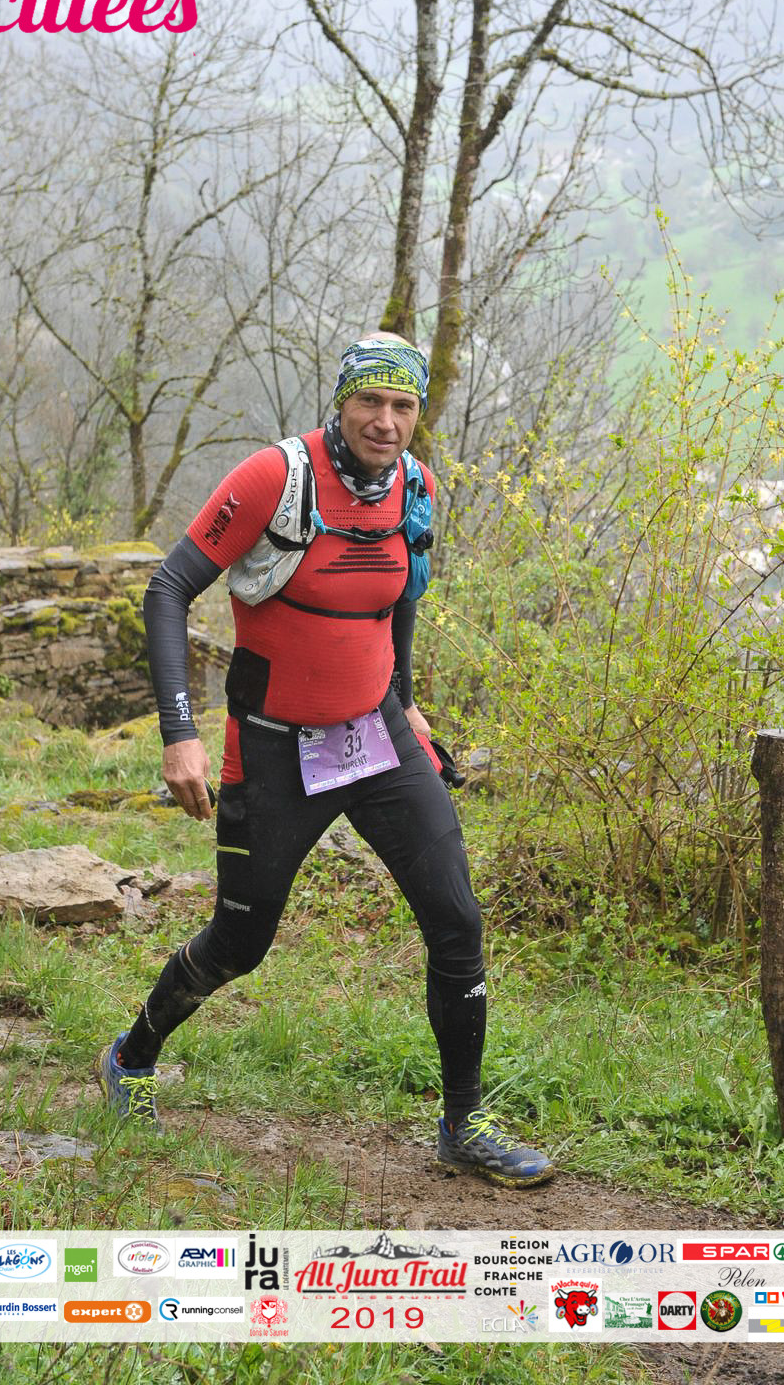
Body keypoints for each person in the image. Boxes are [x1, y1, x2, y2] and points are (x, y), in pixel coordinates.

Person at [98, 335, 555, 1187]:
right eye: (369, 402)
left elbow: (402, 596)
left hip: (376, 737)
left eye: (403, 406)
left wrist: (406, 699)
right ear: (341, 402)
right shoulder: (274, 479)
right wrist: (178, 732)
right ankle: (132, 1055)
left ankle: (464, 1122)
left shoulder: (415, 486)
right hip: (274, 748)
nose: (385, 421)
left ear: (418, 414)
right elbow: (168, 588)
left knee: (456, 919)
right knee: (241, 941)